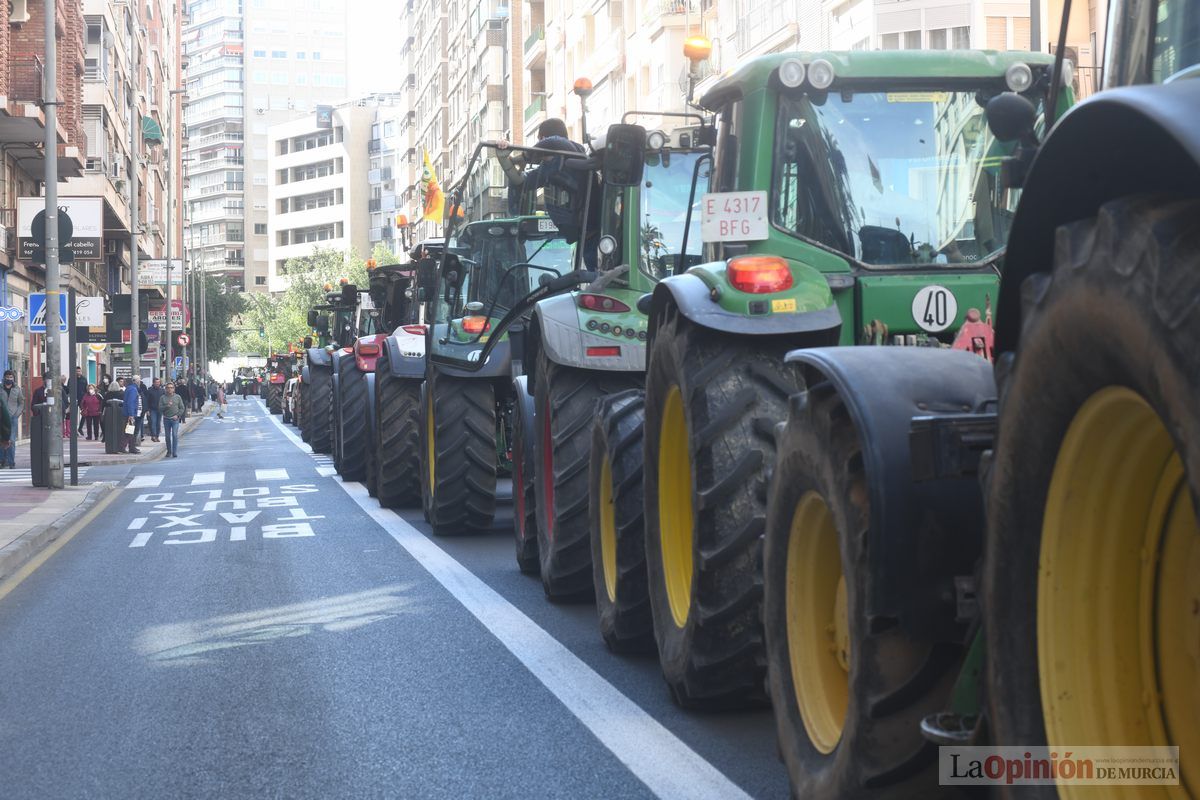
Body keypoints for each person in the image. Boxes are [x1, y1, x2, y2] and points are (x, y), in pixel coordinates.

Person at [497, 118, 600, 267]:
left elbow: (554, 142)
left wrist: (524, 157)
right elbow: (521, 182)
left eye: (539, 140)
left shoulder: (574, 152)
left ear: (542, 138)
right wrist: (504, 158)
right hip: (583, 238)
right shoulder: (550, 167)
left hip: (594, 235)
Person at [2, 369, 23, 468]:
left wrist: (17, 414)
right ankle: (2, 461)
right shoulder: (1, 388)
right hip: (2, 418)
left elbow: (21, 403)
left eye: (11, 377)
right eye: (7, 377)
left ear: (13, 378)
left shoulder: (17, 389)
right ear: (4, 377)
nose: (9, 379)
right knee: (2, 439)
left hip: (13, 418)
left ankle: (11, 462)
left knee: (11, 440)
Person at [159, 381, 186, 458]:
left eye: (171, 388)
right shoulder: (163, 398)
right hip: (166, 419)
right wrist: (167, 406)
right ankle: (169, 451)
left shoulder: (177, 397)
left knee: (174, 435)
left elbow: (182, 408)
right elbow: (160, 408)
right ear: (166, 389)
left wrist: (177, 415)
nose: (170, 389)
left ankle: (174, 452)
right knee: (167, 436)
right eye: (168, 388)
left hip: (175, 419)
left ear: (174, 389)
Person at [122, 375, 143, 454]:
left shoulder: (130, 388)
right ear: (136, 381)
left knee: (130, 431)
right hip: (130, 414)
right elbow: (130, 402)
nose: (140, 381)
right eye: (139, 380)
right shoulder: (133, 390)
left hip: (129, 413)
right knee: (129, 431)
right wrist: (131, 415)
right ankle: (125, 447)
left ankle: (131, 447)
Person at [146, 377, 165, 443]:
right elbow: (147, 400)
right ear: (153, 383)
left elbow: (164, 400)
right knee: (153, 422)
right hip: (152, 409)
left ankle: (157, 436)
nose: (157, 384)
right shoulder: (150, 390)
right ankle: (153, 435)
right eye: (156, 382)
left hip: (160, 409)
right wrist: (147, 410)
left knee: (158, 423)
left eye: (158, 382)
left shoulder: (162, 390)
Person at [73, 366, 88, 435]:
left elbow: (86, 389)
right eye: (77, 371)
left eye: (79, 371)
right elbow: (68, 389)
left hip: (82, 399)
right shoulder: (72, 379)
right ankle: (74, 430)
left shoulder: (84, 379)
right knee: (74, 415)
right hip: (74, 399)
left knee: (85, 414)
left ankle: (80, 428)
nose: (78, 372)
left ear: (81, 371)